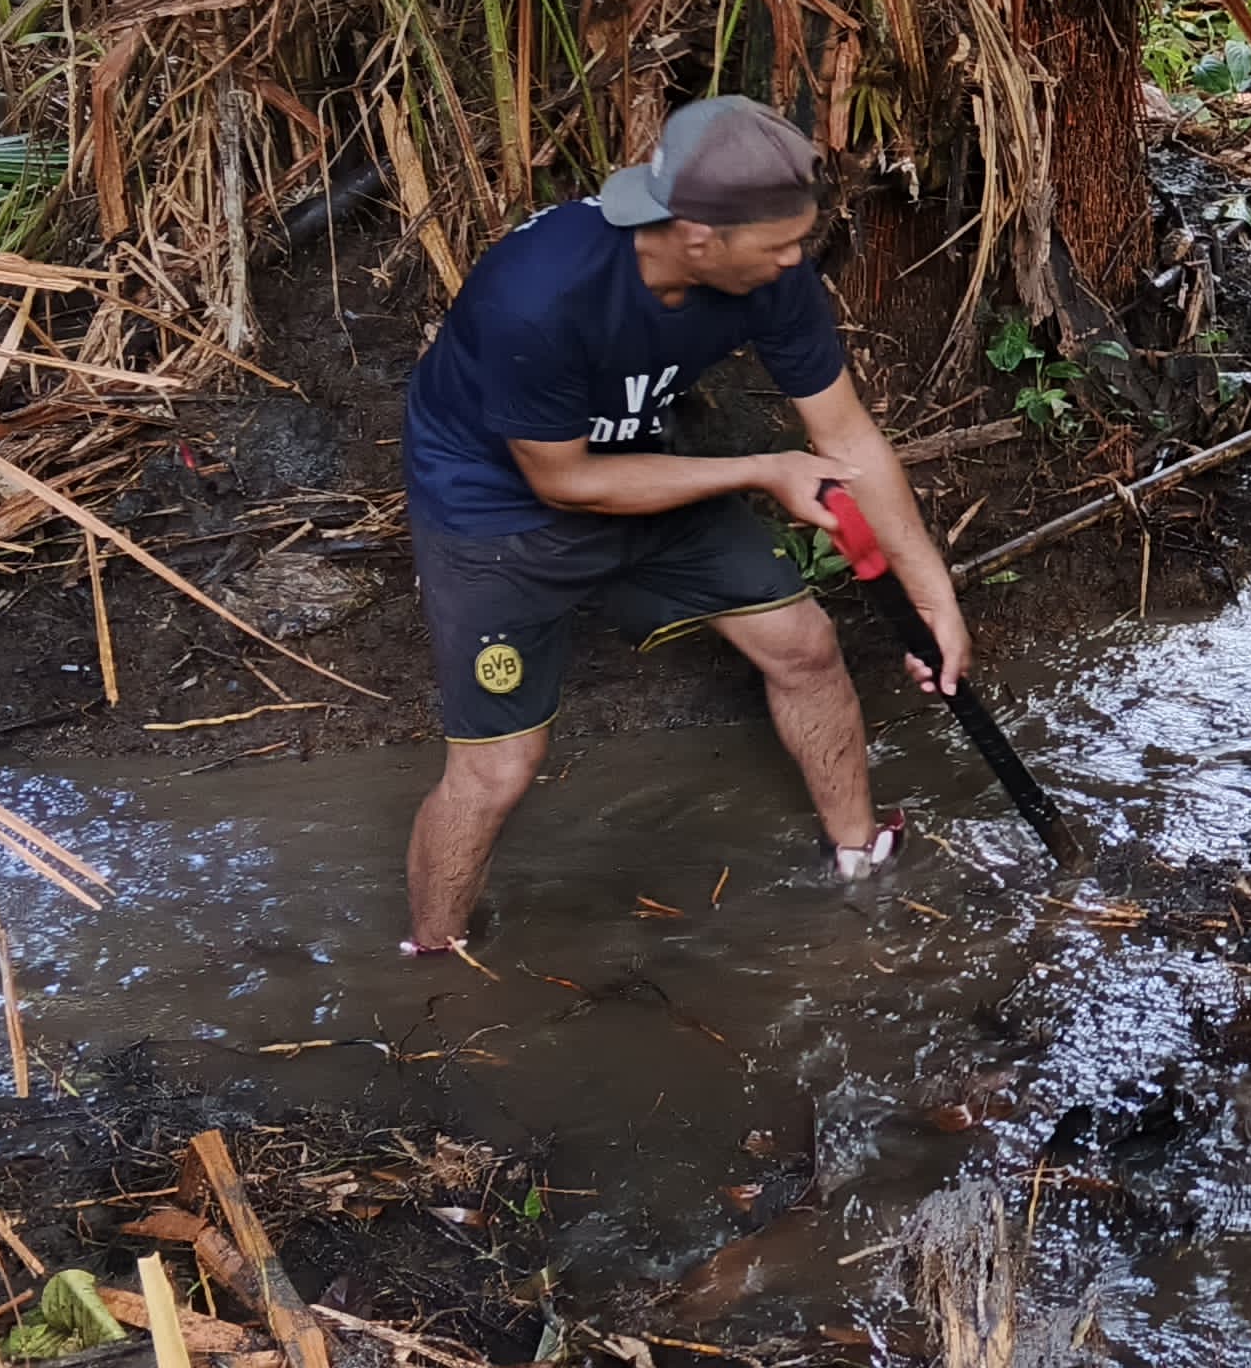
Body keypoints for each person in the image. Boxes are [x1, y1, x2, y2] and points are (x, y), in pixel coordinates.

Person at [398, 96, 972, 954]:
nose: (795, 263)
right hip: (497, 510)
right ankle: (432, 965)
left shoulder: (770, 274)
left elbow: (847, 435)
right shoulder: (538, 296)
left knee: (805, 647)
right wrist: (759, 470)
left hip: (648, 470)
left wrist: (934, 599)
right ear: (699, 237)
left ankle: (860, 860)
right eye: (779, 246)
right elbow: (564, 483)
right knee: (498, 768)